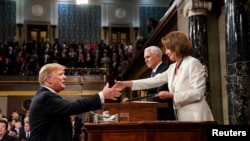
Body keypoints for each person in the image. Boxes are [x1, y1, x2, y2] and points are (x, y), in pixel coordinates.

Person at [113, 31, 214, 121]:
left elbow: (198, 93)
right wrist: (126, 83)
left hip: (197, 116)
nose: (166, 52)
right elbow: (154, 81)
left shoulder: (192, 63)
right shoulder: (172, 67)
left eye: (168, 48)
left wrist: (173, 95)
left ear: (177, 46)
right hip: (182, 117)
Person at [29, 63, 121, 141]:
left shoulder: (45, 95)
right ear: (48, 79)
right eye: (61, 74)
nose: (65, 77)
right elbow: (73, 107)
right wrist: (101, 96)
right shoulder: (46, 97)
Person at [143, 46, 175, 120]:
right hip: (155, 114)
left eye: (148, 57)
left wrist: (146, 100)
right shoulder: (153, 72)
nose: (146, 60)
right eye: (145, 58)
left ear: (157, 56)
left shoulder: (165, 69)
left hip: (164, 116)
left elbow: (159, 96)